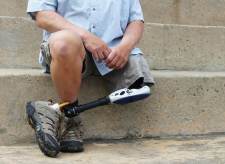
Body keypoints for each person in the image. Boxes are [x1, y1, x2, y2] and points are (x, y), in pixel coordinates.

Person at [26, 0, 155, 158]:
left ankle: (48, 110)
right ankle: (70, 117)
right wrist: (86, 36)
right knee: (63, 44)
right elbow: (42, 15)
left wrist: (126, 47)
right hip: (70, 47)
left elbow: (136, 21)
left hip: (113, 52)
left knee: (139, 88)